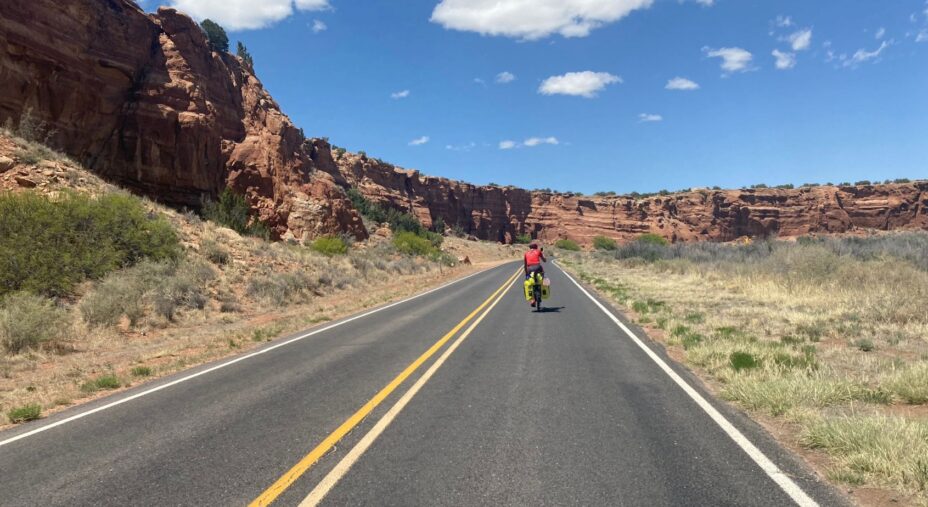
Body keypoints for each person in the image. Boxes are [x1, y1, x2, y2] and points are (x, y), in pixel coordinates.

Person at [524, 242, 547, 306]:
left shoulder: (526, 253)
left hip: (529, 269)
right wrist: (542, 253)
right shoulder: (538, 251)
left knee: (529, 282)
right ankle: (542, 285)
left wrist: (526, 274)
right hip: (538, 267)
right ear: (536, 247)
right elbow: (545, 260)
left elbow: (525, 265)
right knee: (543, 275)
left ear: (530, 247)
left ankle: (532, 300)